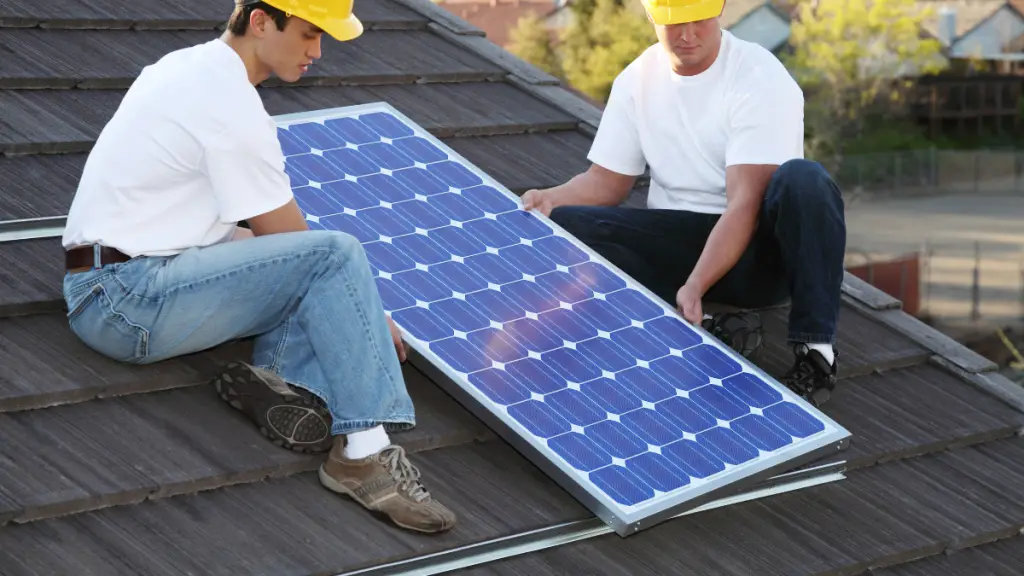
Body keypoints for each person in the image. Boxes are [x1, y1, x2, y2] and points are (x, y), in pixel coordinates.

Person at [59, 0, 456, 533]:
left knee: (313, 270)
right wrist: (373, 320)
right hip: (127, 299)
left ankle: (286, 383)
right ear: (261, 21)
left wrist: (351, 304)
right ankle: (363, 452)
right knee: (335, 255)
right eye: (310, 34)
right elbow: (296, 241)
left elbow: (248, 238)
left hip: (121, 282)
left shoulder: (185, 67)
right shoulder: (229, 105)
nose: (317, 52)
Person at [522, 0, 847, 407]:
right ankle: (711, 329)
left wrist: (696, 284)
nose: (687, 34)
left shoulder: (758, 75)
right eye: (674, 22)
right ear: (652, 16)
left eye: (698, 19)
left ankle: (817, 355)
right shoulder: (638, 79)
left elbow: (744, 203)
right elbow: (604, 182)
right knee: (571, 223)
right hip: (684, 240)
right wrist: (547, 199)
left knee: (805, 179)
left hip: (757, 255)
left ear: (719, 11)